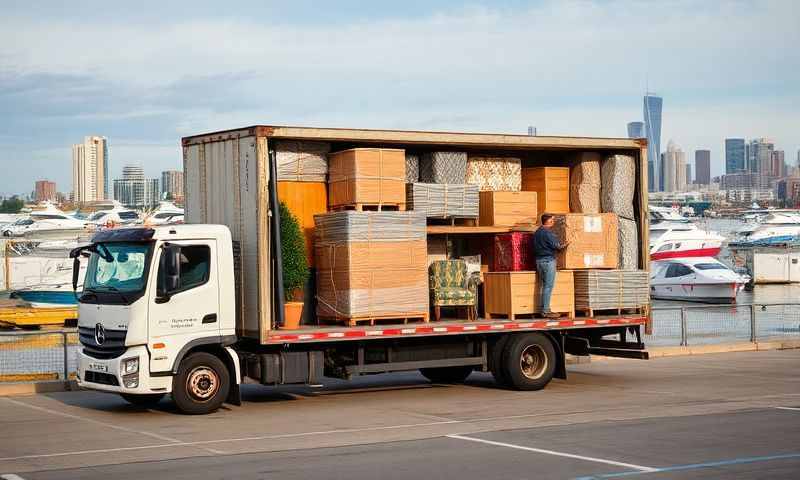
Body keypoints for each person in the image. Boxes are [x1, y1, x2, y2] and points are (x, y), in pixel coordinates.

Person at [532, 213, 569, 318]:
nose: (554, 222)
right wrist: (566, 244)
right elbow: (558, 247)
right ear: (548, 221)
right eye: (552, 220)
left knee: (543, 286)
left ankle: (543, 309)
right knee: (548, 286)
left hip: (539, 261)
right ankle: (546, 310)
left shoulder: (537, 232)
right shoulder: (548, 233)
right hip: (548, 261)